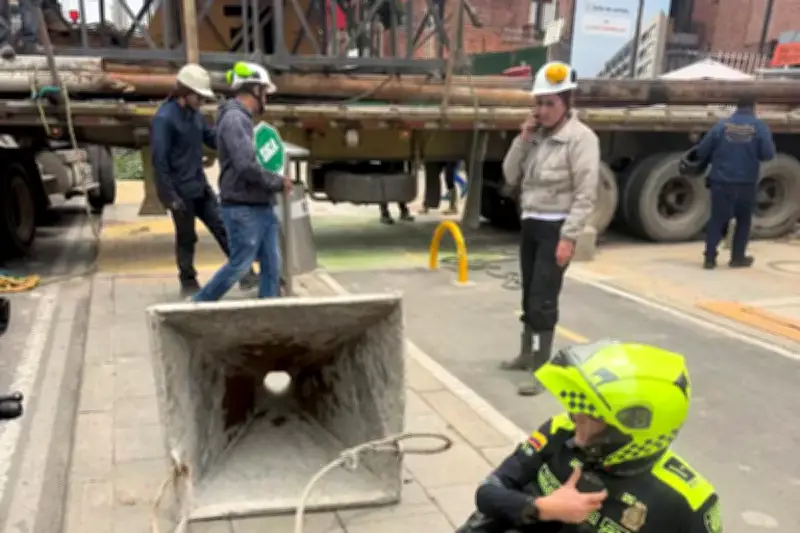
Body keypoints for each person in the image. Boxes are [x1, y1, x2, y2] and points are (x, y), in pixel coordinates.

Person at [459, 340, 721, 533]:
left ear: (634, 430)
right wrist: (542, 507)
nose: (576, 418)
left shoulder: (688, 501)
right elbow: (488, 492)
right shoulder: (559, 431)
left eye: (593, 415)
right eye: (579, 409)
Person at [499, 61, 600, 396]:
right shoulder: (537, 138)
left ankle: (544, 369)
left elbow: (586, 193)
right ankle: (526, 353)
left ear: (567, 103)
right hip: (531, 222)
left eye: (549, 103)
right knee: (529, 290)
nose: (541, 110)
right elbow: (511, 174)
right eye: (538, 103)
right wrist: (523, 138)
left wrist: (569, 237)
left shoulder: (581, 140)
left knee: (544, 296)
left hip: (556, 226)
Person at [151, 63, 257, 297]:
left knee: (223, 227)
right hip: (180, 193)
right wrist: (170, 197)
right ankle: (188, 281)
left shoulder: (194, 115)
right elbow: (159, 163)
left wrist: (233, 140)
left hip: (199, 187)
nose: (201, 101)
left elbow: (211, 137)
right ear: (185, 92)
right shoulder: (164, 119)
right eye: (198, 96)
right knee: (187, 237)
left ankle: (245, 273)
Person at [193, 61, 291, 302]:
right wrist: (277, 182)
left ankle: (269, 308)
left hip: (258, 203)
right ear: (254, 90)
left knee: (272, 262)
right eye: (264, 92)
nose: (266, 97)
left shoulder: (241, 118)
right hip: (242, 206)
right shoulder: (235, 119)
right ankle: (198, 304)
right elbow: (245, 165)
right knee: (240, 264)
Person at [694, 94, 775, 270]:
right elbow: (768, 154)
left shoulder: (721, 126)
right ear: (754, 107)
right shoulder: (759, 127)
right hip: (746, 182)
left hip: (720, 181)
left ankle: (709, 258)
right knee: (743, 220)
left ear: (736, 107)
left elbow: (702, 150)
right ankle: (737, 257)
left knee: (717, 218)